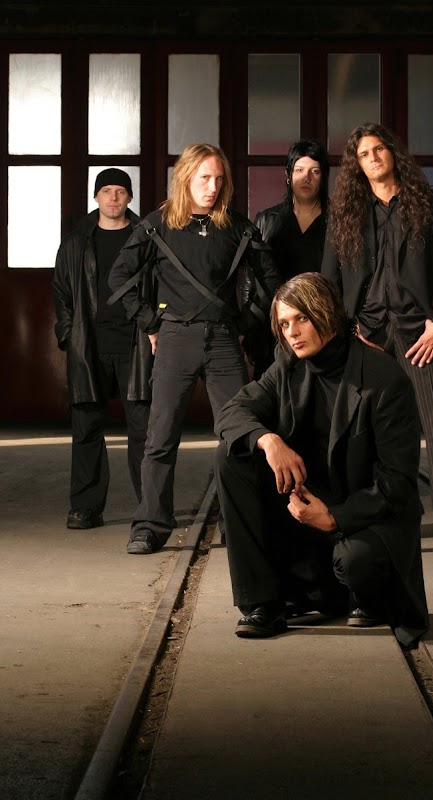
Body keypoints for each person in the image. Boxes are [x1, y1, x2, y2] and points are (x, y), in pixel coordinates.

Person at [214, 272, 429, 649]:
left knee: (357, 563)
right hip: (305, 512)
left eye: (302, 318)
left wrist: (334, 518)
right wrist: (268, 440)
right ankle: (262, 605)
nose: (292, 332)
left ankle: (366, 598)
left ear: (327, 313)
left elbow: (397, 482)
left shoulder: (383, 378)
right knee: (233, 453)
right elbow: (233, 411)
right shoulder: (287, 364)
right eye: (284, 323)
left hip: (363, 517)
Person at [322, 121, 433, 562]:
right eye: (364, 154)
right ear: (357, 165)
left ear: (393, 153)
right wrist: (346, 331)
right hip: (366, 336)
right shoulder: (345, 214)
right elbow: (329, 283)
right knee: (363, 437)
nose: (373, 158)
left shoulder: (432, 205)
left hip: (421, 335)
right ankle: (368, 527)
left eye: (379, 149)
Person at [108, 143, 281, 555]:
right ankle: (150, 526)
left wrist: (245, 324)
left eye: (219, 179)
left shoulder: (237, 227)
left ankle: (238, 524)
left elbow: (272, 283)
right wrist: (151, 323)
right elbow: (119, 278)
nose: (212, 187)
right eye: (204, 178)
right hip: (175, 339)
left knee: (239, 433)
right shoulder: (157, 225)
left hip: (223, 340)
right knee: (160, 436)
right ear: (185, 178)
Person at [53, 168, 151, 530]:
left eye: (120, 191)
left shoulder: (147, 237)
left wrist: (156, 327)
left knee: (144, 429)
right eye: (106, 190)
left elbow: (162, 286)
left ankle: (151, 508)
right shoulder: (76, 241)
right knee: (87, 428)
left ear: (129, 197)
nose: (113, 197)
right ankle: (85, 508)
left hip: (136, 345)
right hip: (89, 346)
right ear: (96, 197)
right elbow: (62, 292)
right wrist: (69, 334)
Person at [242, 138, 330, 379]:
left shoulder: (338, 220)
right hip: (274, 326)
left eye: (314, 171)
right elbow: (252, 278)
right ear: (288, 175)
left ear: (323, 177)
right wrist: (249, 329)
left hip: (321, 324)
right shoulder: (266, 219)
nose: (306, 178)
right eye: (299, 170)